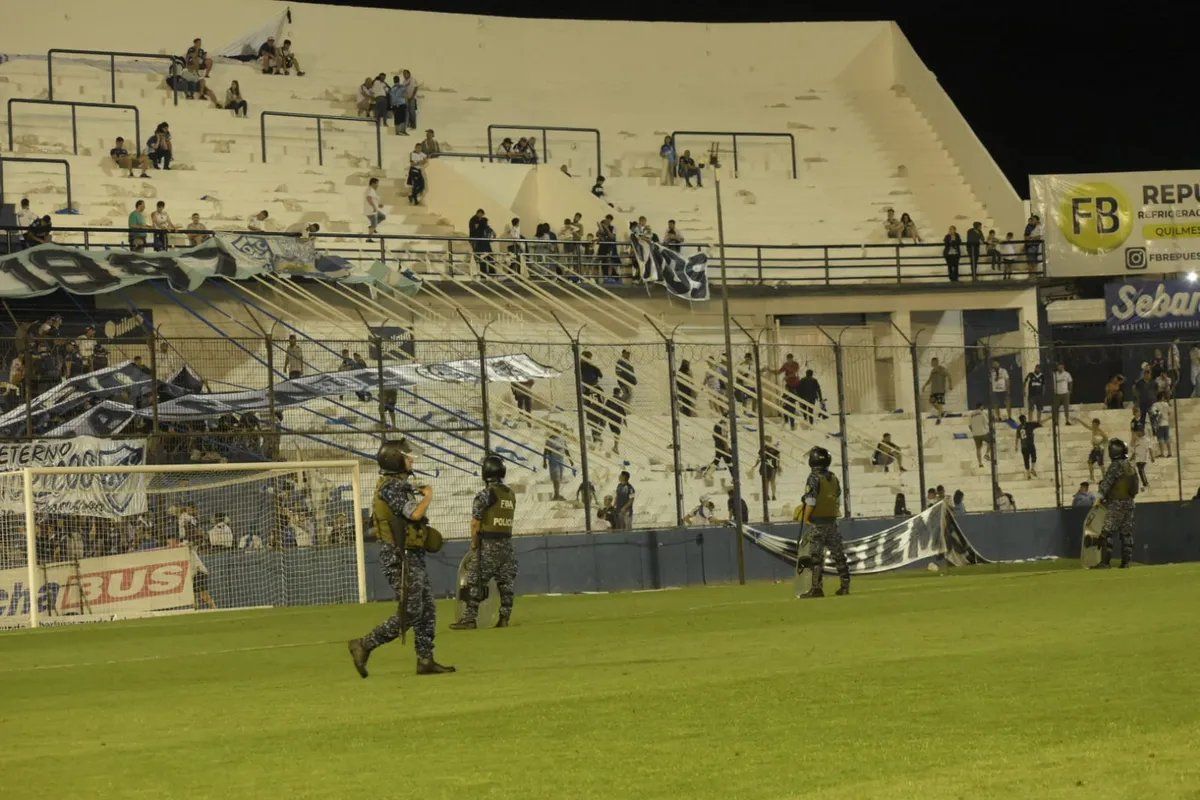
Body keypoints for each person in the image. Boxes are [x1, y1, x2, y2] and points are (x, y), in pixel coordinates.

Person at [348, 440, 454, 676]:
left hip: (409, 553)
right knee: (412, 610)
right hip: (400, 556)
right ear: (395, 460)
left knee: (426, 608)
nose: (412, 460)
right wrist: (428, 495)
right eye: (407, 457)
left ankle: (425, 660)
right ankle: (364, 644)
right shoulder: (392, 487)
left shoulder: (395, 485)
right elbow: (415, 514)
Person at [451, 454, 518, 630]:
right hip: (507, 545)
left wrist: (474, 544)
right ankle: (504, 618)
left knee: (474, 580)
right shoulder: (510, 494)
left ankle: (469, 619)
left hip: (488, 544)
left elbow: (475, 522)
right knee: (506, 583)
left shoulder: (485, 495)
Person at [795, 446, 850, 598]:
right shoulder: (833, 477)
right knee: (838, 554)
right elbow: (837, 497)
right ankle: (845, 585)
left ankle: (816, 588)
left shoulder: (813, 477)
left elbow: (811, 501)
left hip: (818, 523)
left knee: (816, 557)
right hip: (832, 521)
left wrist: (806, 518)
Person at [1090, 438, 1138, 569]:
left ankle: (1105, 563)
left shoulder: (1115, 466)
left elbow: (1107, 483)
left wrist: (1098, 498)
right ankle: (1126, 563)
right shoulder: (1130, 465)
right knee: (1126, 533)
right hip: (1129, 503)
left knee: (1107, 532)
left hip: (1116, 503)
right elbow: (1135, 488)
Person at [748, 435, 781, 501]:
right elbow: (778, 457)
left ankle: (769, 495)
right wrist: (779, 465)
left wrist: (755, 465)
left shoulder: (764, 448)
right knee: (771, 481)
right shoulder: (772, 448)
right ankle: (772, 495)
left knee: (767, 482)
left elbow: (759, 458)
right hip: (771, 466)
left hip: (767, 466)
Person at [542, 428, 571, 500]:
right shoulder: (550, 439)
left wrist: (570, 460)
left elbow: (566, 449)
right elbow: (545, 450)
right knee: (556, 478)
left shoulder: (562, 439)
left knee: (559, 478)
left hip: (561, 459)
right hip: (553, 460)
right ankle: (556, 494)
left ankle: (557, 494)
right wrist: (544, 461)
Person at [775, 354, 801, 428]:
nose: (789, 360)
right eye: (788, 359)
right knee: (785, 402)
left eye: (790, 359)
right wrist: (770, 370)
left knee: (791, 403)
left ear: (792, 359)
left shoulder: (795, 364)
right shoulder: (785, 365)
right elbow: (779, 372)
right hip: (788, 386)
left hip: (795, 385)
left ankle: (792, 423)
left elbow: (795, 373)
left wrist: (787, 376)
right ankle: (786, 419)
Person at [921, 357, 950, 423]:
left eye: (933, 362)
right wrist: (924, 386)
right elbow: (930, 380)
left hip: (940, 390)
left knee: (940, 404)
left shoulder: (942, 369)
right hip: (934, 390)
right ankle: (942, 412)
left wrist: (950, 385)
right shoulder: (933, 371)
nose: (932, 363)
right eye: (932, 362)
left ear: (936, 362)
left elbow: (949, 375)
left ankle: (939, 418)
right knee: (932, 402)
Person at [1014, 414, 1041, 479]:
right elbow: (1039, 423)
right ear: (1025, 419)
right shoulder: (1029, 424)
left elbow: (1017, 438)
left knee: (1026, 460)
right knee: (1034, 457)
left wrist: (1016, 446)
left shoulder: (1019, 427)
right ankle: (1032, 469)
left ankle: (1028, 474)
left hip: (1024, 446)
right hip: (1030, 444)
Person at [968, 402, 990, 468]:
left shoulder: (971, 414)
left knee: (978, 448)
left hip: (975, 434)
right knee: (991, 441)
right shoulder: (982, 413)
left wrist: (974, 431)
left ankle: (980, 464)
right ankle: (987, 454)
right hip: (983, 432)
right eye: (982, 407)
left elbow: (969, 426)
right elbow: (987, 422)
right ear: (981, 407)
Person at [1150, 392, 1172, 458]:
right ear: (1162, 397)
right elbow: (1169, 413)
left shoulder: (1155, 405)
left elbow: (1153, 413)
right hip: (1166, 423)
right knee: (1167, 438)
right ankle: (1169, 453)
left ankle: (1162, 453)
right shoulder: (1166, 404)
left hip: (1159, 424)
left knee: (1160, 439)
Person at [1051, 362, 1073, 426]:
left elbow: (1070, 382)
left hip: (1065, 393)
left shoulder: (1067, 374)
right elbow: (1052, 383)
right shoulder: (1054, 374)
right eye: (1058, 366)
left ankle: (1067, 420)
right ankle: (1056, 421)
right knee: (1055, 408)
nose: (1059, 367)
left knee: (1066, 408)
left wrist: (1070, 390)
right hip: (1057, 394)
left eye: (1060, 366)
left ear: (1063, 366)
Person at [1087, 418, 1109, 482]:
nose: (1093, 425)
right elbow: (1086, 426)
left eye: (1094, 424)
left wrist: (1099, 444)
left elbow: (1106, 439)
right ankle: (1092, 477)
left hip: (1099, 450)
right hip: (1094, 449)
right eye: (1092, 424)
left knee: (1101, 464)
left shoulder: (1100, 432)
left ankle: (1104, 478)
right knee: (1089, 462)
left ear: (1097, 424)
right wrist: (1078, 420)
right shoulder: (1093, 430)